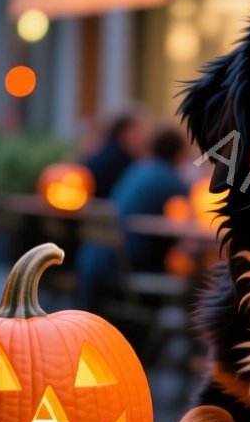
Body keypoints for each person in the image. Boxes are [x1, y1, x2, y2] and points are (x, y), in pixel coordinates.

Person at [77, 124, 191, 307]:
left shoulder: (138, 169)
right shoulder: (169, 179)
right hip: (125, 267)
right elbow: (193, 208)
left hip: (96, 262)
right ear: (179, 154)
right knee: (190, 276)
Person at [84, 109, 149, 199]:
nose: (144, 137)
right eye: (140, 131)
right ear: (125, 133)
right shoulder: (115, 161)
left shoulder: (112, 153)